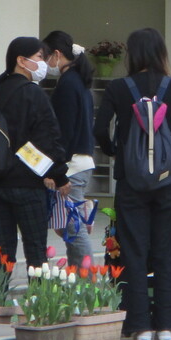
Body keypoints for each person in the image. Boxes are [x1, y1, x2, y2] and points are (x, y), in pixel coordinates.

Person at [94, 27, 171, 340]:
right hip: (167, 185)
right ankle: (168, 325)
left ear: (132, 54)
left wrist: (118, 154)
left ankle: (138, 325)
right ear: (161, 53)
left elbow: (100, 130)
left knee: (134, 251)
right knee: (168, 250)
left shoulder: (118, 88)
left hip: (131, 183)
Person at [0, 37, 70, 271]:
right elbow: (50, 137)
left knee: (2, 249)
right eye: (40, 57)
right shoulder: (33, 94)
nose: (44, 63)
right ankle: (38, 303)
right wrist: (59, 175)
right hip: (27, 183)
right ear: (22, 61)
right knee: (35, 250)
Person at [42, 30, 96, 268]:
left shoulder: (67, 84)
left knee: (73, 228)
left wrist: (56, 169)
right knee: (67, 225)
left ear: (56, 54)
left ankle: (87, 279)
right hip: (82, 162)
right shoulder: (79, 81)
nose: (45, 64)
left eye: (45, 57)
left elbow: (62, 132)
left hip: (72, 165)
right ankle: (77, 274)